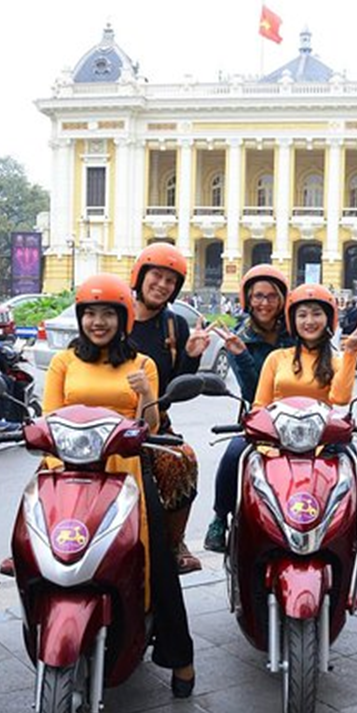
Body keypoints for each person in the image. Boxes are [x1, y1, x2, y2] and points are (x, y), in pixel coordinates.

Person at [42, 273, 196, 697]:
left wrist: (147, 393)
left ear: (122, 318)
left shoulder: (141, 364)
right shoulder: (64, 362)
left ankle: (180, 657)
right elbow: (50, 420)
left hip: (125, 467)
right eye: (89, 313)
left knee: (156, 557)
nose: (97, 322)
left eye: (107, 313)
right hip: (67, 466)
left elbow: (151, 427)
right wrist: (55, 458)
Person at [128, 243, 213, 574]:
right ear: (140, 276)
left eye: (170, 281)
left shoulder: (173, 326)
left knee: (183, 460)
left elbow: (176, 390)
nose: (162, 285)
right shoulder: (116, 314)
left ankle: (174, 542)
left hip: (152, 422)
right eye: (157, 276)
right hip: (104, 417)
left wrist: (191, 355)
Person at [203, 265, 294, 553]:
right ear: (247, 299)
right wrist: (241, 356)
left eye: (271, 296)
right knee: (233, 454)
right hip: (260, 420)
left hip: (302, 419)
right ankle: (219, 518)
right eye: (258, 296)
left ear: (282, 300)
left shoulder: (296, 332)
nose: (264, 303)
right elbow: (253, 392)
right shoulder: (240, 338)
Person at [253, 284, 357, 410]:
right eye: (302, 315)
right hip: (276, 428)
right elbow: (260, 405)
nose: (309, 321)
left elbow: (340, 399)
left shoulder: (336, 361)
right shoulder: (276, 358)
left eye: (317, 314)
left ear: (328, 319)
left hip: (321, 429)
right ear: (293, 321)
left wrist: (351, 353)